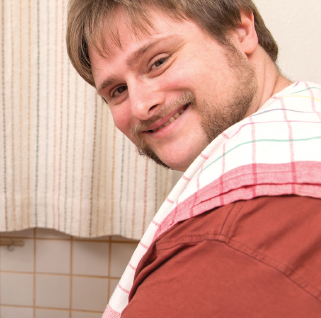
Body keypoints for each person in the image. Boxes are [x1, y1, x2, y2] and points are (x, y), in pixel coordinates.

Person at [66, 1, 321, 317]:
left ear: (241, 31)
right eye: (118, 90)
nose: (140, 106)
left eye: (158, 61)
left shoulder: (229, 233)